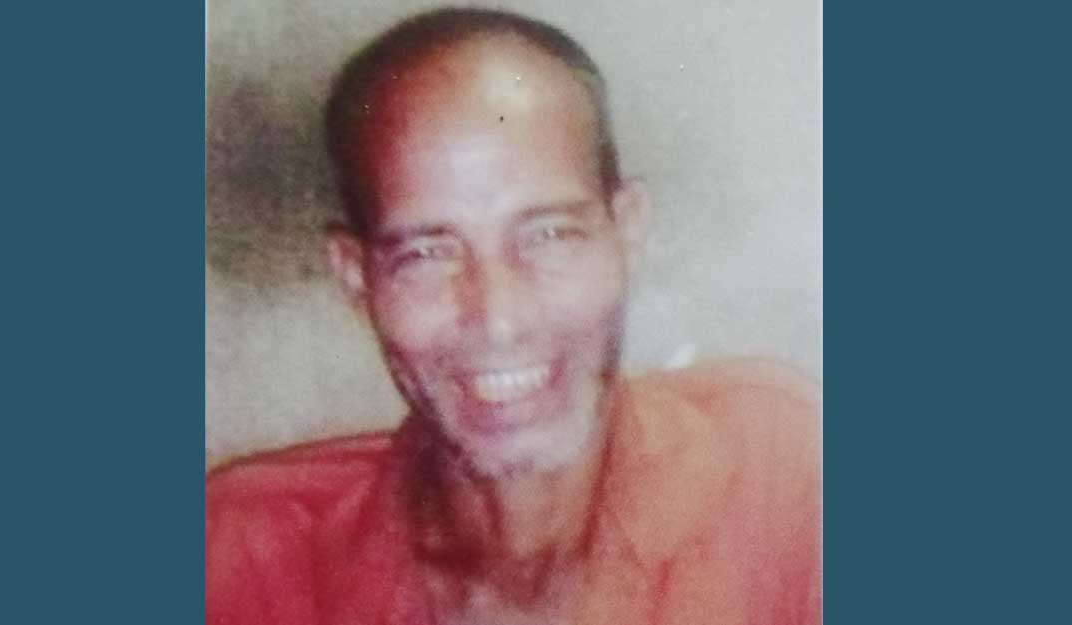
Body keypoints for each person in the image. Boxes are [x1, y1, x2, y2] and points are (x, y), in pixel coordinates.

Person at [205, 7, 821, 625]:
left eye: (549, 235)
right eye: (426, 254)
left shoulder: (781, 475)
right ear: (356, 277)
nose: (499, 319)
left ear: (627, 233)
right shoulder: (242, 559)